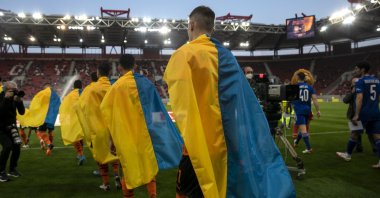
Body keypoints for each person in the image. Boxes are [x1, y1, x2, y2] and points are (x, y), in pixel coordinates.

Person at [164, 6, 295, 198]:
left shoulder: (184, 55)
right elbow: (242, 104)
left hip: (195, 148)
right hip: (225, 146)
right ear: (212, 28)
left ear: (191, 25)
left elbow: (180, 103)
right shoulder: (227, 57)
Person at [101, 54, 183, 198]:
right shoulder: (147, 84)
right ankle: (152, 195)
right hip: (147, 135)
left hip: (126, 136)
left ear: (120, 66)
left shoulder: (116, 87)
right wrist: (160, 130)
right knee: (149, 165)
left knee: (127, 167)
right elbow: (157, 111)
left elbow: (110, 115)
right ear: (134, 66)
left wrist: (112, 140)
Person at [76, 62, 120, 190]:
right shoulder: (116, 87)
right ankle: (117, 176)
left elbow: (81, 107)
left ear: (98, 73)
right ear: (109, 73)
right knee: (115, 154)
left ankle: (106, 184)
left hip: (98, 128)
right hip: (115, 127)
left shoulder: (90, 89)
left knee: (101, 156)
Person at [344, 62, 380, 168]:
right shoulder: (377, 81)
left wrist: (356, 114)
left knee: (354, 133)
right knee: (377, 136)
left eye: (356, 69)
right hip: (375, 112)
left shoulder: (360, 81)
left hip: (363, 113)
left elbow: (359, 98)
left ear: (362, 70)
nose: (355, 71)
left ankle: (348, 154)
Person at [0, 81, 25, 182]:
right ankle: (1, 172)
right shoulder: (1, 97)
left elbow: (22, 112)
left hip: (12, 127)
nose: (14, 92)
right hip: (0, 128)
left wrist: (19, 101)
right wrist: (6, 98)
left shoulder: (14, 98)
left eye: (15, 90)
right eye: (12, 90)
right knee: (7, 146)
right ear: (6, 90)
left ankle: (12, 169)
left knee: (17, 146)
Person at [292, 72, 321, 154]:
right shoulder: (310, 87)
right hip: (307, 110)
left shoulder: (294, 87)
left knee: (303, 130)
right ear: (305, 78)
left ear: (297, 78)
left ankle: (309, 148)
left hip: (299, 110)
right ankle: (296, 142)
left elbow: (290, 100)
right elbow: (315, 100)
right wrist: (318, 110)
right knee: (303, 128)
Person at [59, 80, 86, 165]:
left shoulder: (69, 96)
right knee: (80, 136)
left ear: (73, 87)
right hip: (83, 118)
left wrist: (65, 120)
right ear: (81, 86)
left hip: (73, 119)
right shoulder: (84, 92)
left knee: (75, 137)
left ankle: (80, 154)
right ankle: (80, 154)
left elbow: (63, 107)